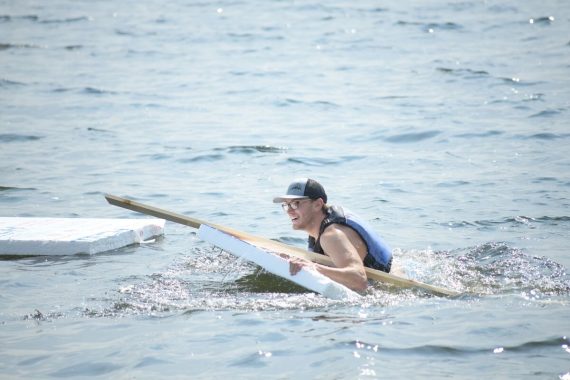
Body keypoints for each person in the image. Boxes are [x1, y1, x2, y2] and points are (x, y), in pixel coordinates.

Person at [273, 178, 392, 292]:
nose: (289, 210)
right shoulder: (317, 228)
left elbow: (359, 280)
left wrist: (312, 267)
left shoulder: (331, 236)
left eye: (296, 203)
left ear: (318, 204)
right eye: (286, 205)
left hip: (387, 288)